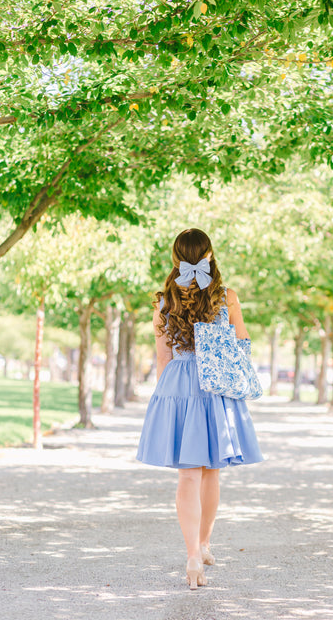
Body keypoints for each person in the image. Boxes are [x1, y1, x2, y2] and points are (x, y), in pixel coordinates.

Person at [136, 228, 263, 590]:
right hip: (215, 386)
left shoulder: (164, 301)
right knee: (211, 471)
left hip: (178, 384)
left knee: (187, 474)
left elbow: (163, 358)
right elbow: (241, 344)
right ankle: (205, 543)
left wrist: (164, 402)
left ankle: (193, 554)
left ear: (176, 258)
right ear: (208, 255)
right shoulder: (226, 297)